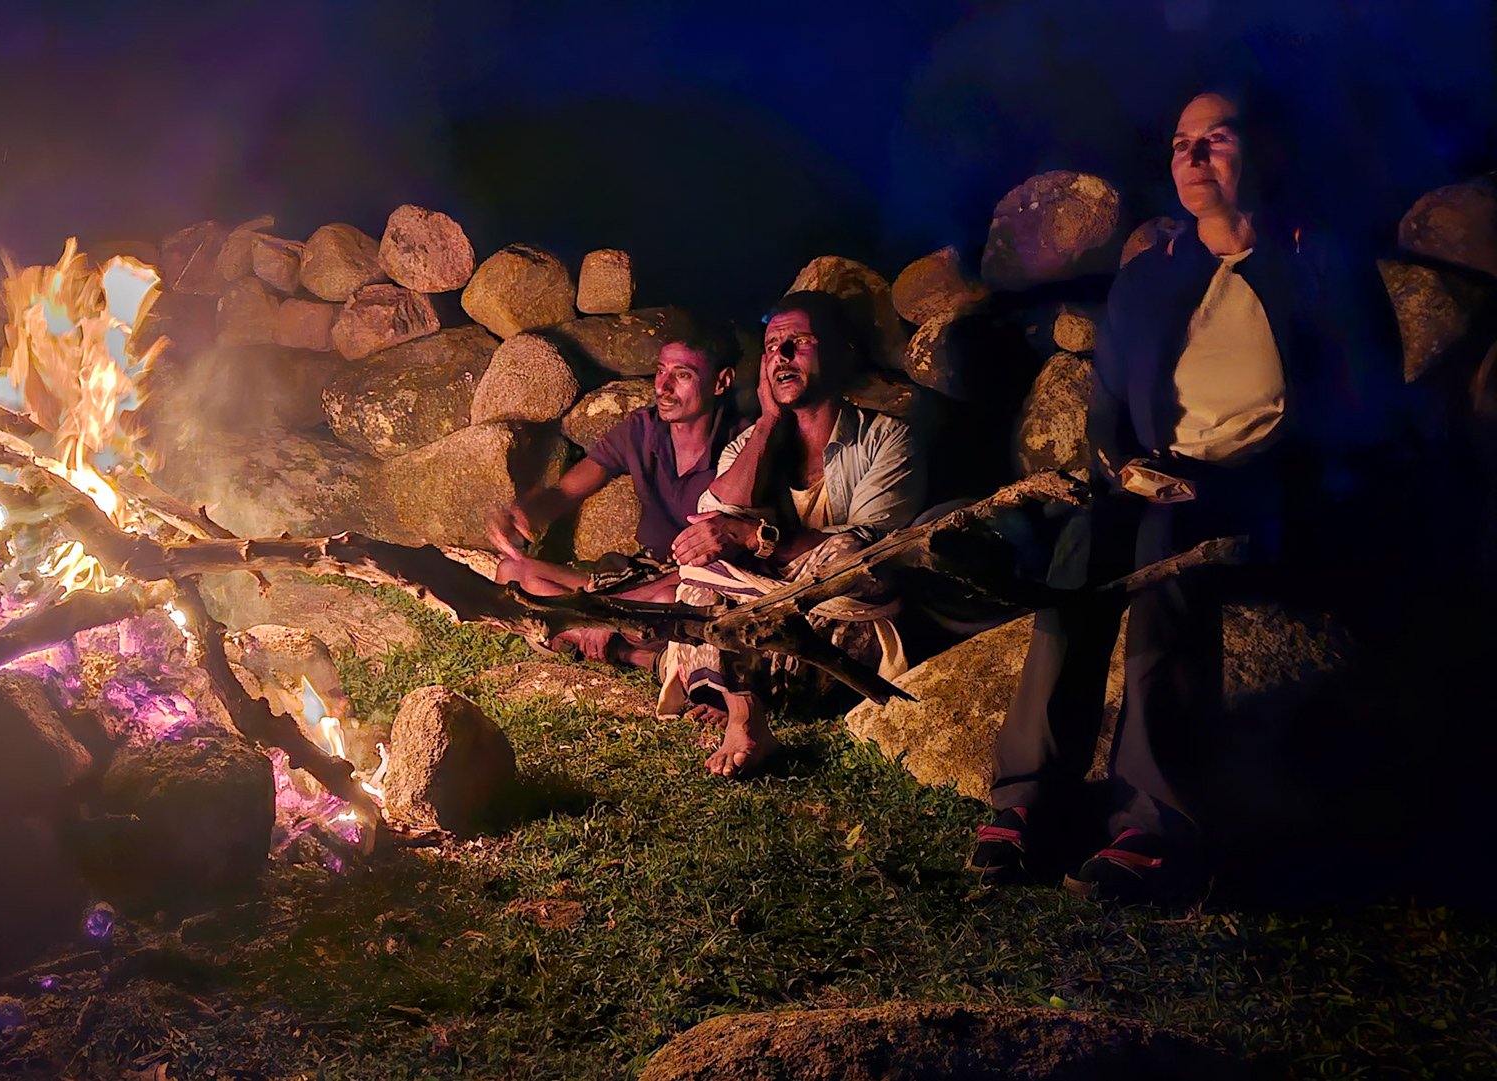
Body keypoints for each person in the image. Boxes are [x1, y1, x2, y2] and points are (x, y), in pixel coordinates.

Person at [969, 90, 1405, 904]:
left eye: (1217, 139)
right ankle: (1027, 799)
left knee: (1167, 538)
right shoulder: (1149, 280)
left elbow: (1368, 407)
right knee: (1086, 541)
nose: (1193, 157)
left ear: (1263, 155)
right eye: (1179, 143)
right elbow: (1106, 410)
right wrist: (1121, 467)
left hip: (1271, 487)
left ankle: (1152, 823)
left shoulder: (1319, 267)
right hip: (1161, 476)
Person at [660, 290, 924, 777]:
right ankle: (744, 712)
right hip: (770, 620)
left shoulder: (889, 438)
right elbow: (714, 514)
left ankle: (730, 686)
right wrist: (766, 421)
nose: (780, 356)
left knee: (850, 556)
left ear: (837, 352)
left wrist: (757, 539)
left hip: (837, 629)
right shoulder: (751, 440)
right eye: (771, 346)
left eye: (797, 342)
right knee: (700, 561)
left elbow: (870, 553)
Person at [489, 329, 743, 666]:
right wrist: (524, 512)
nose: (663, 388)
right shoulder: (643, 430)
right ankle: (633, 653)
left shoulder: (741, 446)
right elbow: (566, 491)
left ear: (721, 381)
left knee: (670, 604)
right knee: (512, 573)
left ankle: (596, 638)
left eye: (682, 375)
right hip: (638, 575)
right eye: (661, 370)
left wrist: (620, 608)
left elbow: (729, 560)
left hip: (690, 582)